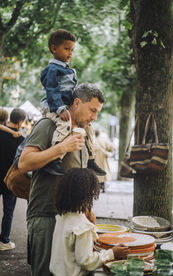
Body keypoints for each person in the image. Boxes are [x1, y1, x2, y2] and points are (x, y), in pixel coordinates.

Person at [18, 83, 105, 276]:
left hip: (73, 218)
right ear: (77, 103)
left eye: (97, 112)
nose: (94, 117)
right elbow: (24, 163)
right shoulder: (49, 125)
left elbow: (79, 175)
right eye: (92, 110)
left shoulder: (86, 132)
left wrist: (87, 209)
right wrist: (61, 147)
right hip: (46, 215)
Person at [50, 168, 129, 276]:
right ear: (88, 195)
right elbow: (86, 261)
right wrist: (112, 253)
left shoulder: (63, 216)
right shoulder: (82, 226)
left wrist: (90, 221)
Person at [40, 29, 106, 177]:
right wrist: (60, 109)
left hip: (65, 107)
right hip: (54, 107)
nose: (70, 53)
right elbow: (52, 90)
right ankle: (54, 160)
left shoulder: (66, 69)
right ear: (54, 48)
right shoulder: (52, 70)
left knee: (88, 129)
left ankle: (91, 159)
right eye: (66, 49)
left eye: (72, 50)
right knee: (64, 125)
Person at [0, 108, 26, 251]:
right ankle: (4, 241)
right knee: (8, 211)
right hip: (9, 180)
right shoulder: (21, 140)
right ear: (21, 121)